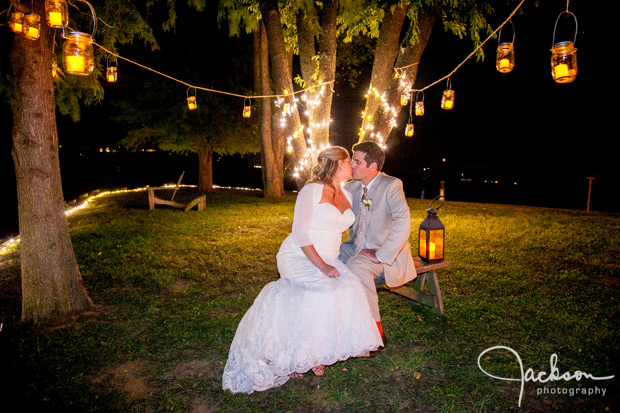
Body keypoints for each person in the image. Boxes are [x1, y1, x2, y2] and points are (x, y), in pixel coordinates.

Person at [222, 146, 383, 394]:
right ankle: (304, 356)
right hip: (300, 254)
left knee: (350, 289)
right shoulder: (311, 190)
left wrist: (366, 250)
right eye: (349, 160)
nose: (352, 164)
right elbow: (299, 233)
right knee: (323, 292)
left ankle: (317, 352)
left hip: (330, 257)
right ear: (337, 164)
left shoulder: (348, 195)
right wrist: (321, 265)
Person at [340, 141, 417, 349]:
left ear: (372, 166)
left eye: (356, 161)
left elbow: (403, 222)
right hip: (355, 247)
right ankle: (333, 320)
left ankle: (374, 334)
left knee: (357, 265)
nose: (351, 165)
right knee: (328, 254)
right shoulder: (350, 187)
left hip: (385, 255)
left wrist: (382, 254)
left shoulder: (392, 185)